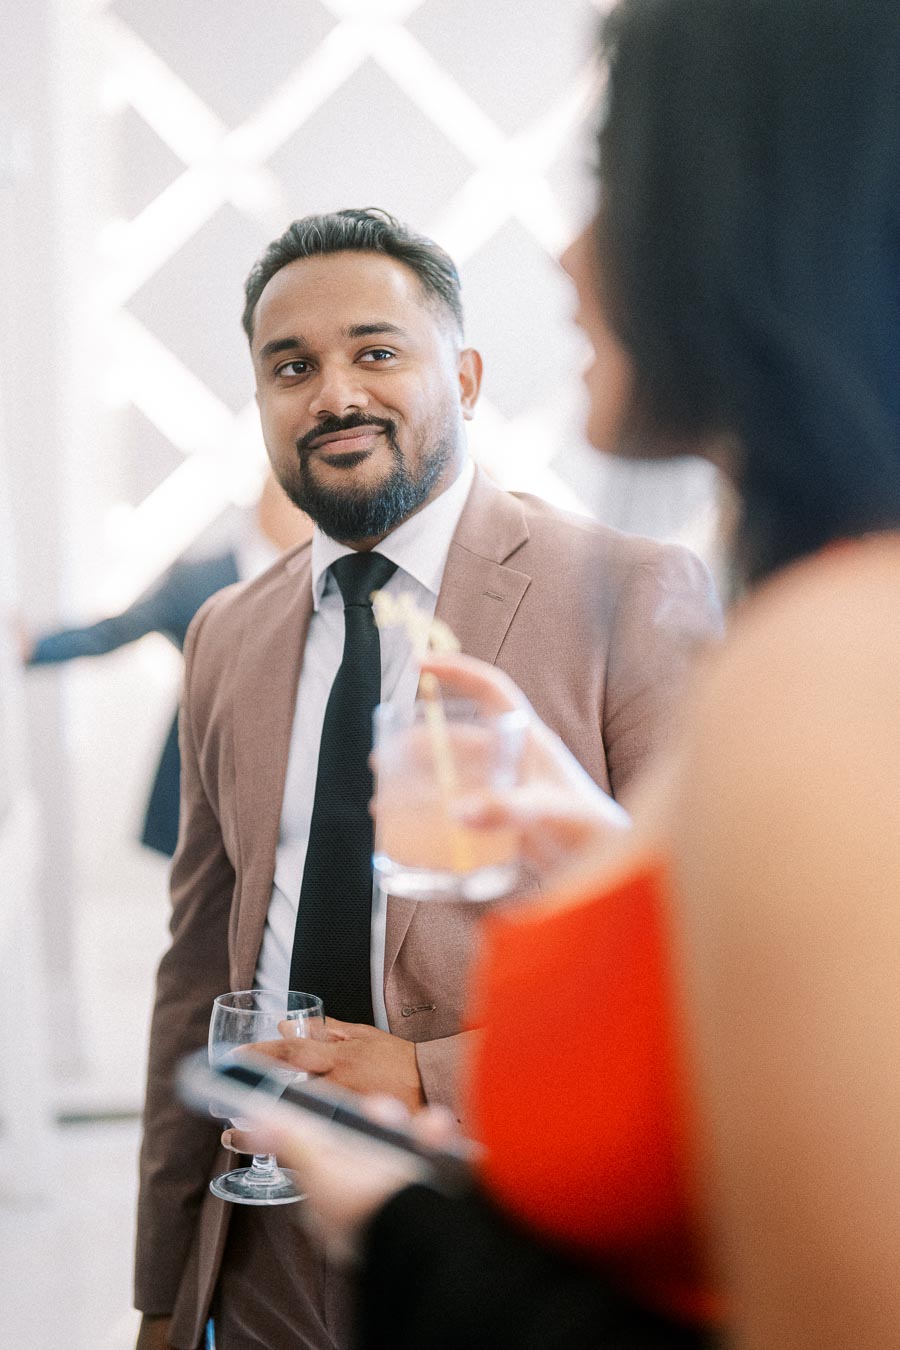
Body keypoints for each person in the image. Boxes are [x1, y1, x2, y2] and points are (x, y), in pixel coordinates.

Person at [238, 3, 900, 1348]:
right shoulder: (819, 630)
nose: (569, 249)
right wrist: (591, 844)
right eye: (289, 366)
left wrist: (403, 1230)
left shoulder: (828, 657)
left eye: (614, 175)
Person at [133, 207, 721, 1350]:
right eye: (291, 368)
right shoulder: (225, 635)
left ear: (465, 375)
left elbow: (710, 961)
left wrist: (422, 1073)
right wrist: (163, 1294)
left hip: (507, 1247)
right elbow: (196, 971)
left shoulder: (630, 592)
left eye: (376, 351)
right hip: (260, 1256)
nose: (334, 393)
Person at [21, 473, 310, 855]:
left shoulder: (320, 583)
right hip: (209, 784)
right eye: (307, 511)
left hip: (293, 791)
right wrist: (34, 649)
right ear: (271, 509)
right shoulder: (197, 580)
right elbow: (115, 631)